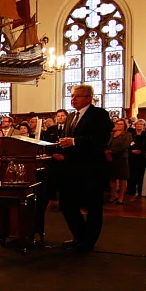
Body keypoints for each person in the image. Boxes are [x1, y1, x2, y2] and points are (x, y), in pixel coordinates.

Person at [58, 84, 113, 251]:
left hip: (91, 169)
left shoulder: (99, 115)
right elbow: (66, 138)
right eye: (72, 96)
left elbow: (100, 138)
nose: (73, 99)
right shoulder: (71, 117)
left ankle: (89, 242)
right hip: (72, 168)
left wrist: (74, 142)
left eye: (77, 96)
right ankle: (79, 235)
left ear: (89, 98)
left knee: (93, 206)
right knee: (66, 203)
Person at [106, 118, 132, 204]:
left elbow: (124, 146)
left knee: (122, 179)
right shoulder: (111, 134)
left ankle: (120, 198)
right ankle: (113, 196)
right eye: (117, 124)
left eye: (121, 124)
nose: (119, 125)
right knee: (112, 178)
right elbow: (106, 144)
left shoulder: (127, 135)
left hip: (121, 158)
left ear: (124, 126)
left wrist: (112, 151)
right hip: (111, 158)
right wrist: (107, 152)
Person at [127, 119, 146, 196]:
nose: (139, 126)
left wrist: (141, 151)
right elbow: (128, 144)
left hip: (141, 157)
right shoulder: (131, 134)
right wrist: (132, 151)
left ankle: (140, 191)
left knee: (140, 174)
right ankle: (131, 190)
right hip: (131, 156)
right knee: (131, 174)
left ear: (144, 126)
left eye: (141, 124)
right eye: (137, 124)